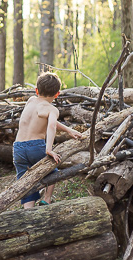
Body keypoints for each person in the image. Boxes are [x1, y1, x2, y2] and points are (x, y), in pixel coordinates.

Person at [13, 72, 85, 208]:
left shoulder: (31, 101)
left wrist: (69, 130)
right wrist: (49, 149)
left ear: (36, 90)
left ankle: (28, 212)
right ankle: (46, 199)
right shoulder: (52, 109)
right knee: (53, 171)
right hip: (36, 147)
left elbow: (43, 120)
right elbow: (51, 125)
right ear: (57, 94)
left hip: (18, 149)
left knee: (25, 182)